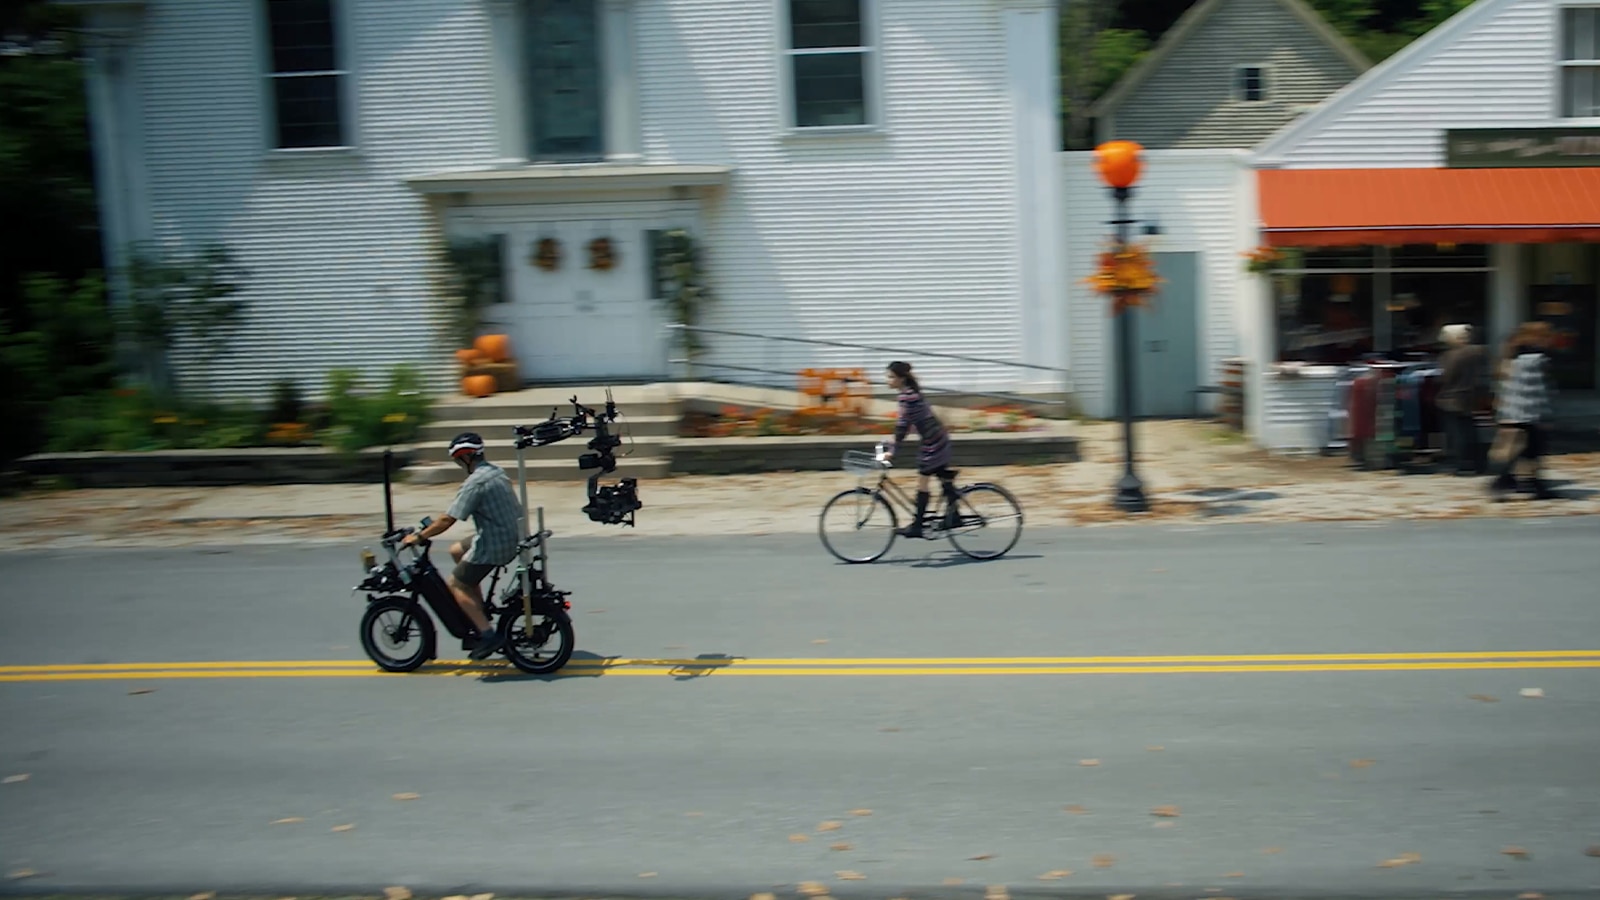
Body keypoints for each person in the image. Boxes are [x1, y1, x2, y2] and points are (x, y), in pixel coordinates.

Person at [402, 432, 525, 659]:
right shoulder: (495, 471)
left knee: (456, 584)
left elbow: (448, 519)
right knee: (456, 550)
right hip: (509, 534)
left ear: (466, 457)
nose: (459, 465)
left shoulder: (475, 483)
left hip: (496, 542)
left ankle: (488, 635)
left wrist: (419, 537)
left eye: (459, 460)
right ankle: (477, 609)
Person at [882, 361, 955, 538]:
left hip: (934, 442)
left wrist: (892, 450)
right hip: (937, 438)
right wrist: (888, 443)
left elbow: (902, 426)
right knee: (942, 477)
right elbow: (906, 426)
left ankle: (918, 526)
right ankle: (955, 516)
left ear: (901, 378)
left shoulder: (907, 397)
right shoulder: (910, 393)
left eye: (891, 377)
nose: (887, 380)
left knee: (923, 481)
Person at [1488, 322, 1557, 501]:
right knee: (1529, 450)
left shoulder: (1512, 356)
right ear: (1538, 337)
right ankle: (1506, 482)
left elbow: (1506, 386)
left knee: (1523, 451)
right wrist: (1546, 414)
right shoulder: (1536, 359)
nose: (1550, 340)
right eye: (1547, 336)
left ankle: (1523, 483)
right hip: (1528, 414)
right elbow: (1537, 391)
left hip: (1513, 412)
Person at [1434, 324, 1489, 475]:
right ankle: (1477, 462)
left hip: (1451, 397)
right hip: (1470, 396)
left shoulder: (1451, 356)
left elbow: (1445, 377)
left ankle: (1463, 463)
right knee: (1470, 430)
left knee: (1457, 433)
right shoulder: (1477, 353)